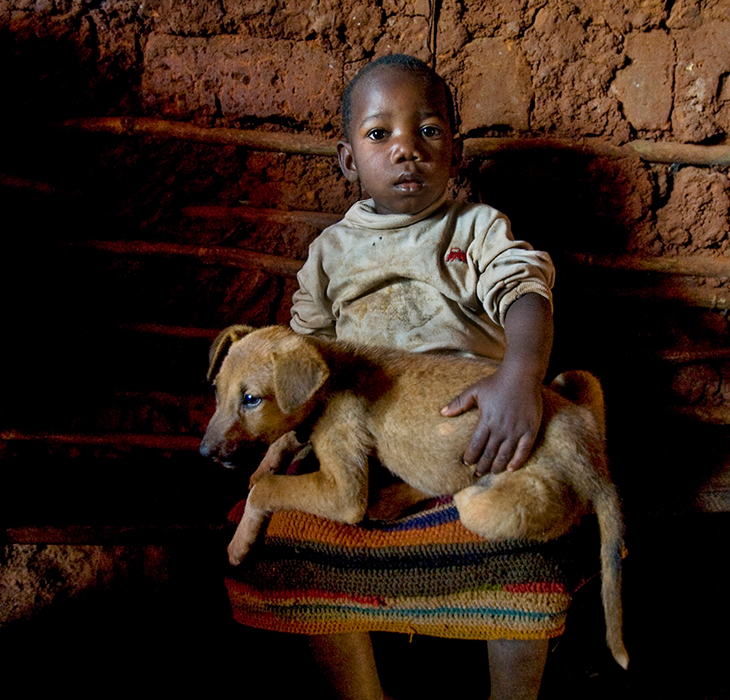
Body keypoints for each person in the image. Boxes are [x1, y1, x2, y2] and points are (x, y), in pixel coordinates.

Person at [232, 54, 560, 700]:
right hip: (363, 438)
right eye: (380, 134)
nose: (406, 148)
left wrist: (521, 377)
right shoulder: (330, 254)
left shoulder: (475, 228)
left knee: (523, 544)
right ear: (348, 159)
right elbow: (305, 356)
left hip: (470, 432)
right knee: (305, 546)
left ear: (456, 152)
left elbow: (525, 290)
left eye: (429, 131)